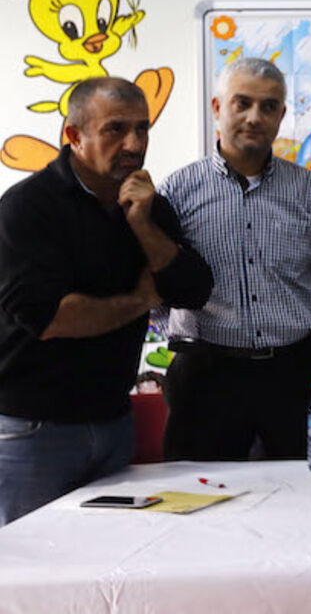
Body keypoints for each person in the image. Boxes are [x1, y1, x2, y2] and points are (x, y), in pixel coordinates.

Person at [0, 77, 212, 525]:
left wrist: (141, 225)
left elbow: (193, 290)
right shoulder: (26, 208)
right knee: (28, 573)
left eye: (142, 129)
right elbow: (52, 317)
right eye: (116, 129)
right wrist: (142, 298)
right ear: (74, 135)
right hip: (32, 430)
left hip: (114, 422)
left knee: (108, 568)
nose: (134, 143)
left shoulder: (146, 203)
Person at [157, 58, 311, 461]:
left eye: (268, 106)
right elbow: (158, 285)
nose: (254, 117)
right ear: (217, 108)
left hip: (296, 374)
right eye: (241, 103)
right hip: (206, 376)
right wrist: (185, 339)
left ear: (281, 115)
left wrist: (301, 337)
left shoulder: (309, 191)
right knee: (201, 499)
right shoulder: (178, 190)